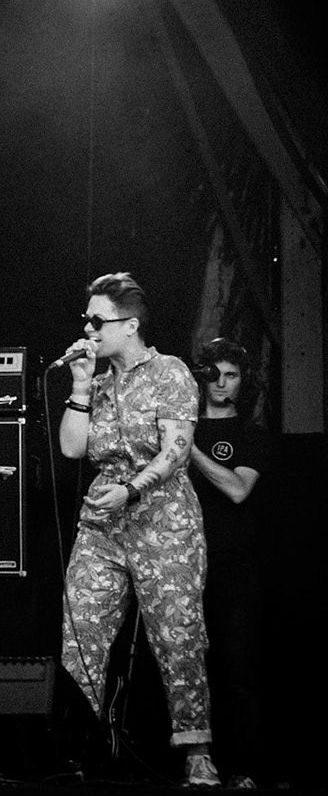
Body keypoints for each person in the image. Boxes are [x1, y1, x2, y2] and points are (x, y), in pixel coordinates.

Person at [56, 272, 216, 787]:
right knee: (81, 631)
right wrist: (80, 386)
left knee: (177, 637)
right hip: (103, 525)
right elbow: (72, 448)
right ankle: (79, 748)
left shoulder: (170, 372)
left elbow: (176, 451)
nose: (88, 329)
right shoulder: (99, 384)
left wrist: (132, 489)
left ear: (130, 325)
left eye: (97, 320)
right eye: (86, 320)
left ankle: (196, 752)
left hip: (163, 522)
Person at [191, 338, 272, 789]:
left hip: (234, 565)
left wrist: (187, 449)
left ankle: (244, 770)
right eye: (214, 374)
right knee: (186, 668)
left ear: (244, 381)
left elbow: (238, 490)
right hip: (182, 564)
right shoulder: (181, 424)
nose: (221, 383)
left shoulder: (251, 435)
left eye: (232, 375)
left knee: (238, 669)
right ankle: (193, 766)